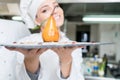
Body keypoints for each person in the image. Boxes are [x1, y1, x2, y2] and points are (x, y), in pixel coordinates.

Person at [7, 0, 85, 80]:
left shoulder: (72, 46)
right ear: (36, 20)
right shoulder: (25, 45)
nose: (54, 12)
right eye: (45, 10)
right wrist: (31, 60)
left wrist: (66, 60)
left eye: (56, 6)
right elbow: (21, 78)